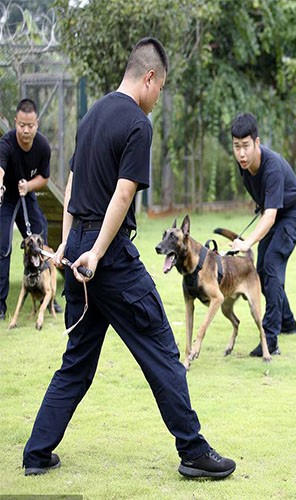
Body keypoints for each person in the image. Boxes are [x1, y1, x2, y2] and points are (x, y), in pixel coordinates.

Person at [22, 37, 235, 479]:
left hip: (82, 242)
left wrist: (68, 243)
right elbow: (122, 193)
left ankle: (36, 453)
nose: (158, 100)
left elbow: (74, 178)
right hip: (109, 256)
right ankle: (194, 452)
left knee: (77, 361)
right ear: (150, 78)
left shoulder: (93, 115)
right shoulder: (138, 124)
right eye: (161, 89)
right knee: (160, 347)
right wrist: (97, 252)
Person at [230, 113, 296, 356]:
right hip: (273, 213)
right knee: (261, 269)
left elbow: (271, 216)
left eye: (245, 146)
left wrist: (247, 243)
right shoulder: (244, 168)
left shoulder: (271, 166)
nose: (241, 154)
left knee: (271, 267)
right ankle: (288, 322)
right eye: (236, 147)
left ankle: (270, 340)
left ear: (256, 142)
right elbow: (266, 208)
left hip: (292, 214)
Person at [0, 98, 62, 319]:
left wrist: (28, 186)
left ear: (37, 124)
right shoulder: (6, 144)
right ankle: (1, 306)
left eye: (30, 126)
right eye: (21, 125)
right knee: (3, 246)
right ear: (15, 122)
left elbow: (44, 178)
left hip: (28, 194)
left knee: (41, 240)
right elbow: (0, 168)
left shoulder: (43, 146)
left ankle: (49, 297)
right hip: (7, 198)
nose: (26, 130)